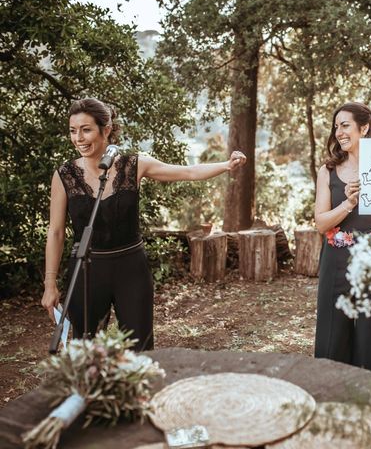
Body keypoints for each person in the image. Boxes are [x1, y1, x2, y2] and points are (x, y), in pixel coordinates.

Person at [41, 97, 246, 351]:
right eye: (73, 131)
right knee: (85, 352)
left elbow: (188, 172)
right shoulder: (64, 175)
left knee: (140, 351)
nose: (78, 138)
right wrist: (50, 284)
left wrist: (227, 165)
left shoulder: (134, 165)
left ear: (106, 130)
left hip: (131, 269)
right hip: (86, 271)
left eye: (86, 129)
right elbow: (56, 231)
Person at [313, 102, 371, 377]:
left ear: (364, 128)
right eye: (336, 127)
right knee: (332, 337)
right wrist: (349, 204)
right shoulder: (327, 170)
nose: (339, 132)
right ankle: (331, 399)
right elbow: (320, 223)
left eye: (345, 125)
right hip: (336, 264)